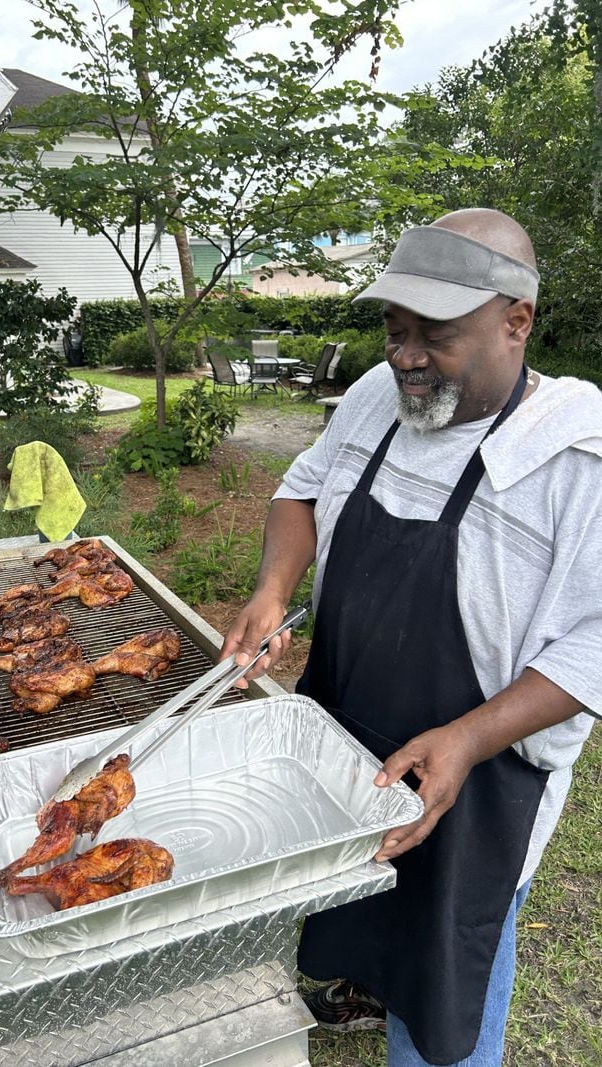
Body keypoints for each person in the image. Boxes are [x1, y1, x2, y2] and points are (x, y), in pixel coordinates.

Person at [220, 208, 602, 1067]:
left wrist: (468, 737)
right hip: (345, 741)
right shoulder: (373, 398)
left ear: (517, 320)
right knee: (356, 912)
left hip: (481, 783)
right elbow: (301, 489)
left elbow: (594, 643)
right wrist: (273, 588)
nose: (406, 356)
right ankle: (359, 986)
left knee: (442, 1006)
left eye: (437, 334)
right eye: (395, 330)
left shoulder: (579, 456)